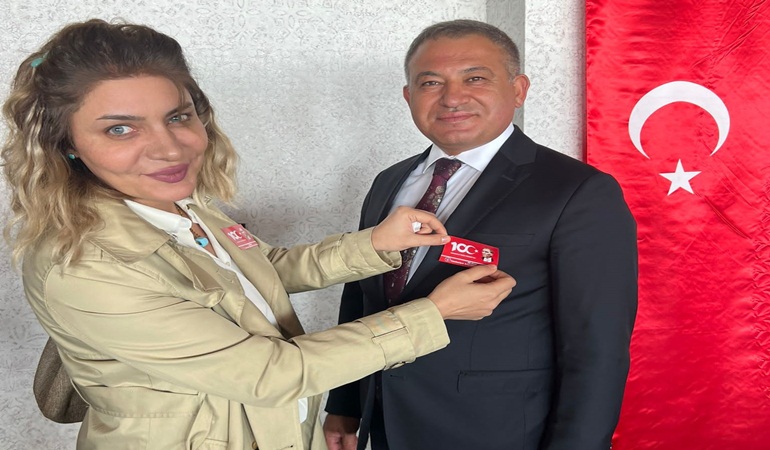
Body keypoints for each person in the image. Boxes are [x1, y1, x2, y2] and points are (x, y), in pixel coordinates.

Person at [1, 19, 518, 450]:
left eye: (178, 117)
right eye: (120, 128)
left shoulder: (182, 205)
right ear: (65, 143)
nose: (170, 148)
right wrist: (434, 314)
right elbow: (269, 373)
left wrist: (373, 245)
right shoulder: (84, 265)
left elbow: (259, 270)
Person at [323, 19, 638, 450]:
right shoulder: (389, 182)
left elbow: (597, 349)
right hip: (386, 425)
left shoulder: (577, 191)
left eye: (475, 78)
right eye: (431, 82)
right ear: (409, 96)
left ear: (518, 90)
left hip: (500, 432)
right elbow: (361, 295)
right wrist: (345, 404)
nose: (452, 97)